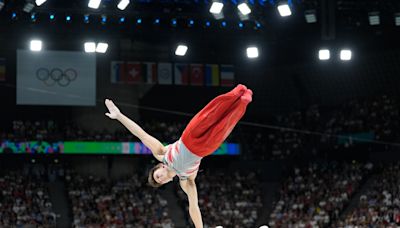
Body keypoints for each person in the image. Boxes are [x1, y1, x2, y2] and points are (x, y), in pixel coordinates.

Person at [104, 84, 252, 228]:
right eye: (160, 181)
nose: (160, 178)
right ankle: (243, 102)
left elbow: (141, 134)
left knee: (210, 114)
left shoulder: (161, 154)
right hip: (204, 149)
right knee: (225, 125)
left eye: (157, 176)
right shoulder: (186, 180)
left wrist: (119, 116)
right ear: (167, 182)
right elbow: (194, 208)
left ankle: (235, 93)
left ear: (160, 167)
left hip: (189, 137)